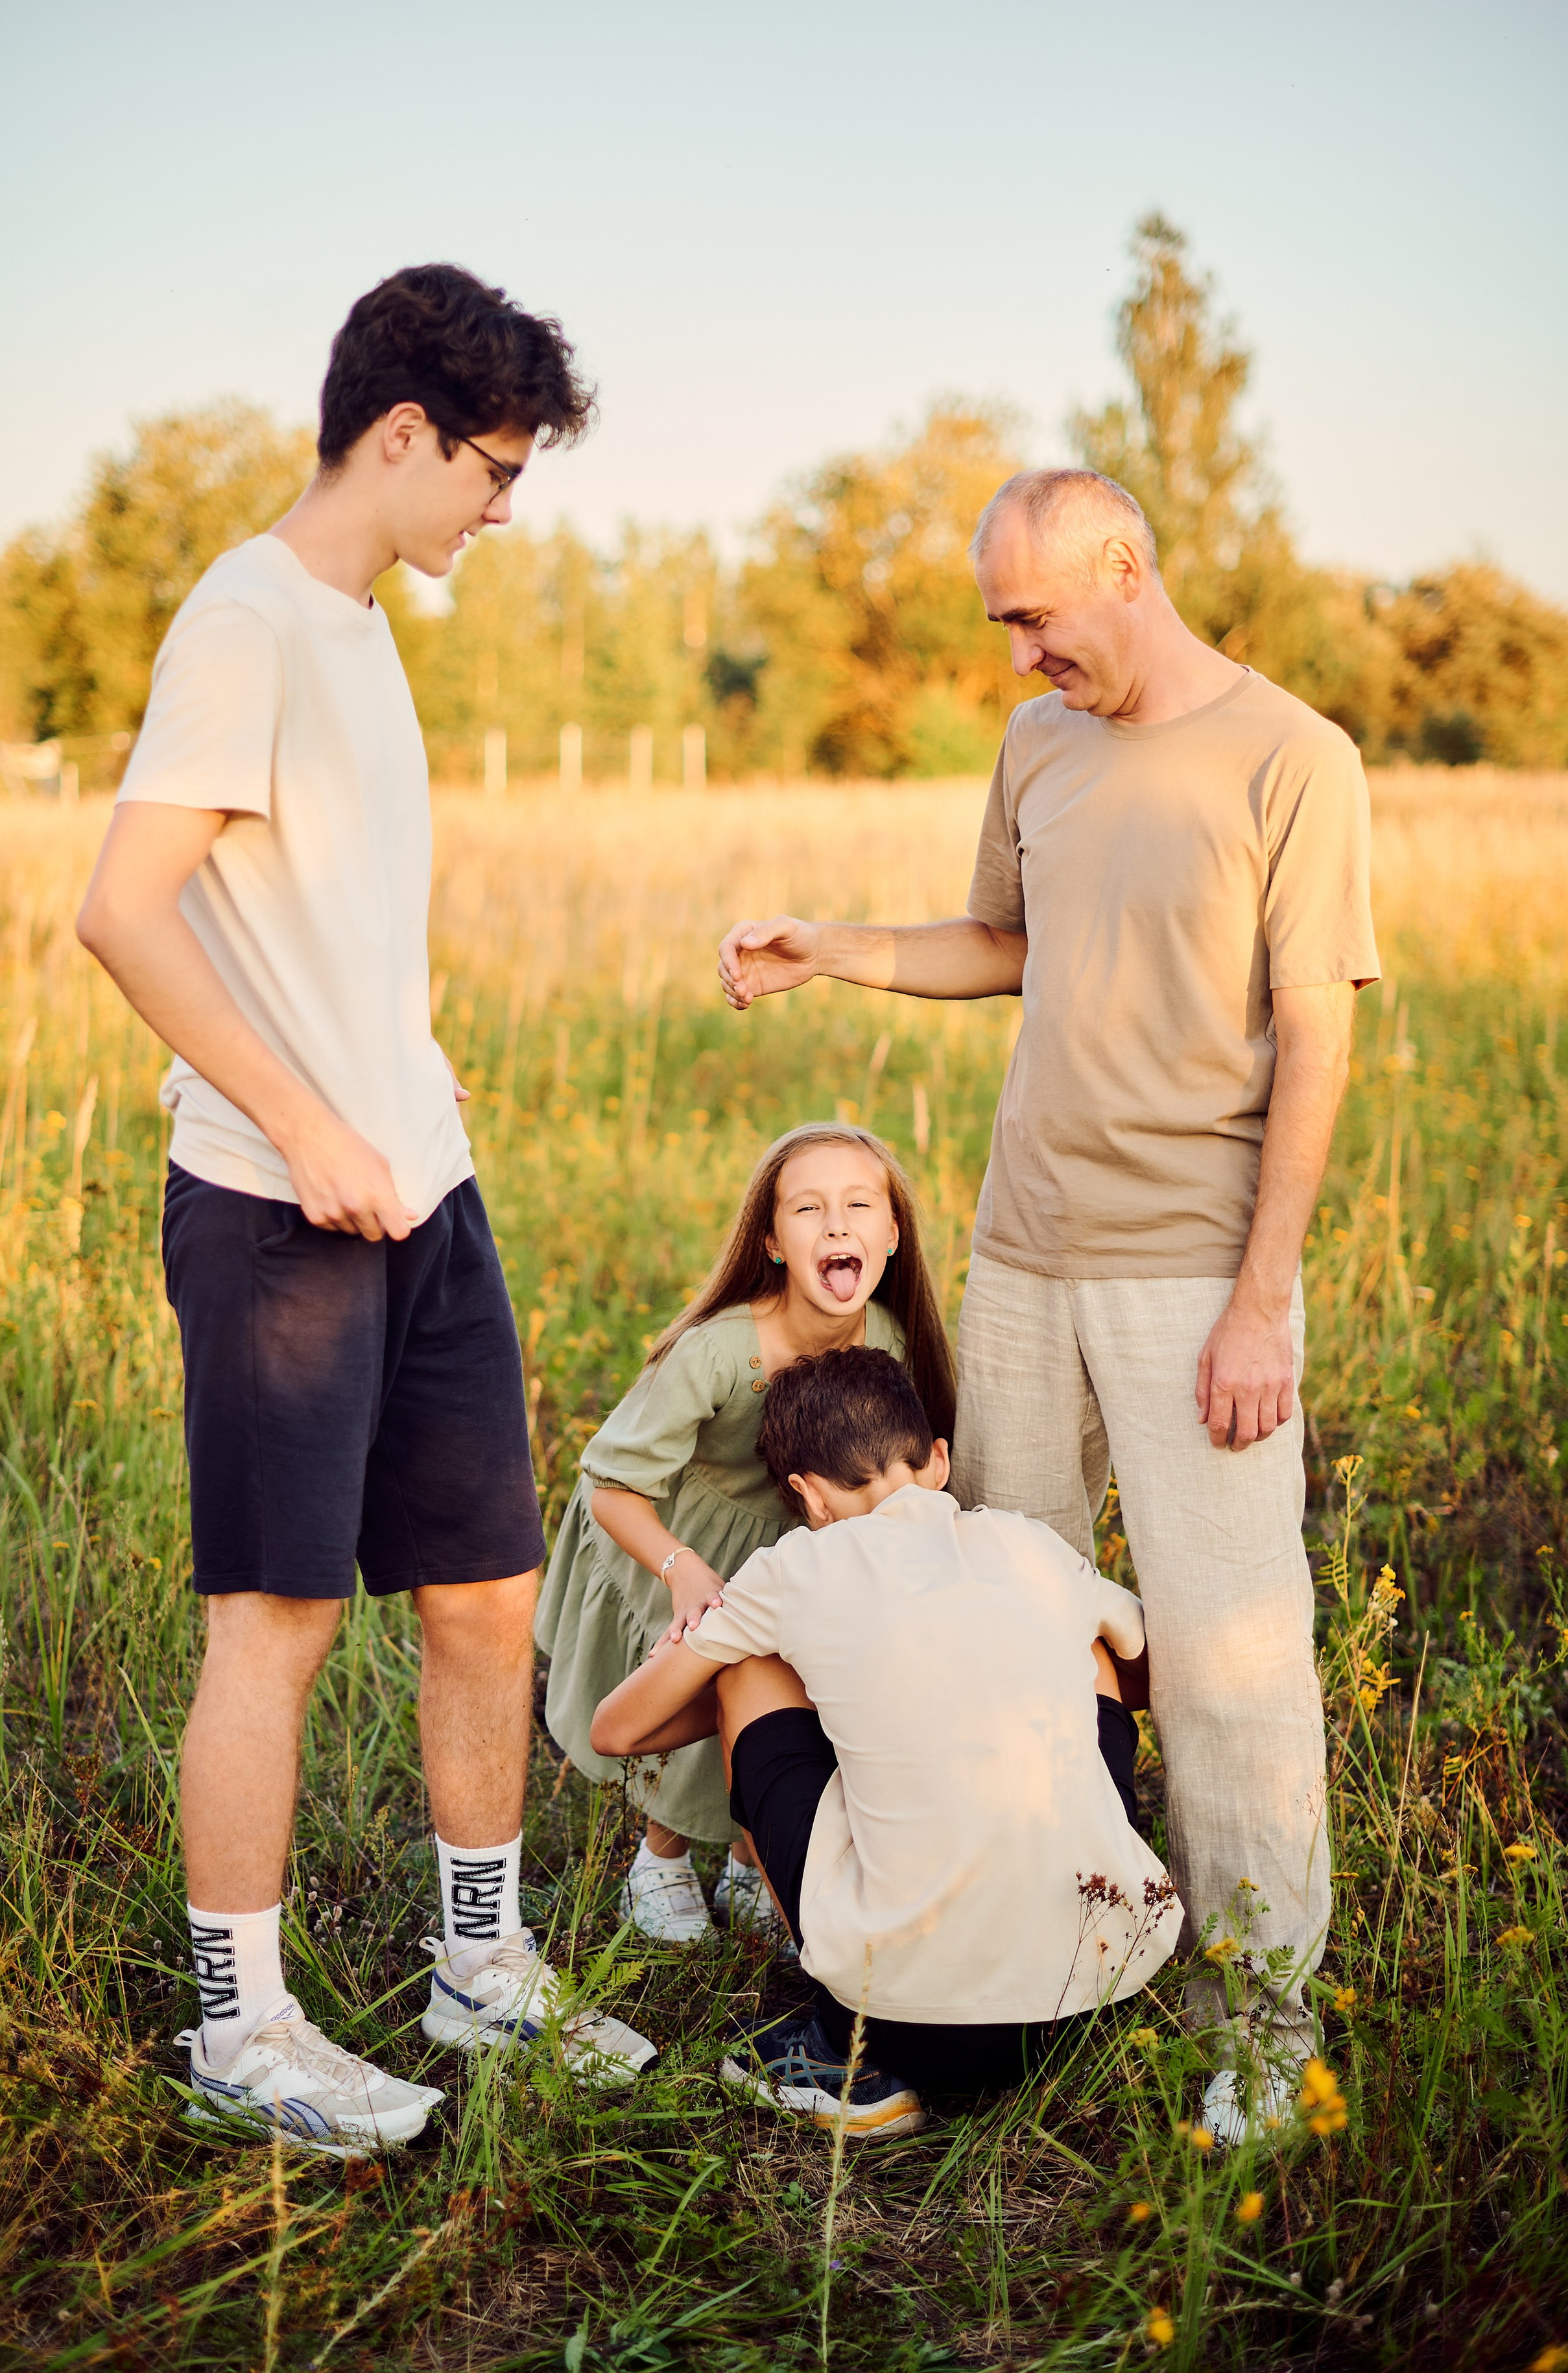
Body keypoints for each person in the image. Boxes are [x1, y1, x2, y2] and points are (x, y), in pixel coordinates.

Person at [715, 469, 1379, 2146]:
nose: (1018, 654)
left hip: (1190, 1273)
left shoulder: (1293, 757)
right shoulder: (1043, 750)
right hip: (1021, 1258)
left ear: (1124, 569)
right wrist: (837, 948)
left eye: (1033, 616)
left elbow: (1318, 1041)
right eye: (1000, 621)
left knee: (1230, 1663)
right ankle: (1011, 1949)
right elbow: (1004, 940)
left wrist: (1260, 1301)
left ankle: (1254, 2027)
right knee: (988, 1631)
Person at [77, 264, 656, 2154]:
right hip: (279, 1214)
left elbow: (315, 922)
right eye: (492, 468)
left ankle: (474, 1971)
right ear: (398, 432)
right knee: (281, 1618)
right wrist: (307, 1121)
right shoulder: (242, 619)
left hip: (428, 1192)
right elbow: (124, 907)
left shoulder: (359, 627)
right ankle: (240, 2031)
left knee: (486, 1594)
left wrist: (398, 1094)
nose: (506, 505)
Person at [591, 1347, 1176, 2137]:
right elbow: (1150, 1676)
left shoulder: (794, 1567)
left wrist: (748, 1678)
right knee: (1093, 1646)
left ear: (808, 1497)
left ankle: (839, 2054)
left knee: (745, 1668)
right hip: (1098, 1991)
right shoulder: (1026, 1544)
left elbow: (619, 1729)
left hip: (902, 2026)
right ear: (937, 1460)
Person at [539, 1125, 955, 1943]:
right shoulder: (720, 1352)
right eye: (808, 1208)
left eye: (859, 1204)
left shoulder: (890, 1337)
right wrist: (680, 1567)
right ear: (770, 1241)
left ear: (893, 1233)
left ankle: (746, 1857)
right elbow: (612, 1484)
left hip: (804, 1543)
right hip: (678, 1534)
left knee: (797, 1699)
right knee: (700, 1690)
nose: (837, 1226)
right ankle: (656, 1862)